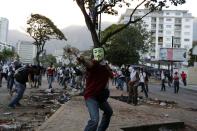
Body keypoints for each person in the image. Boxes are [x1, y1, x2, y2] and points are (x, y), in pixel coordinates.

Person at [77, 47, 113, 131]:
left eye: (101, 53)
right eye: (97, 53)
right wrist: (82, 60)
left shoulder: (105, 65)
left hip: (100, 96)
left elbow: (111, 76)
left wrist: (106, 67)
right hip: (91, 96)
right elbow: (88, 64)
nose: (99, 55)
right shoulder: (94, 63)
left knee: (109, 112)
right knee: (94, 120)